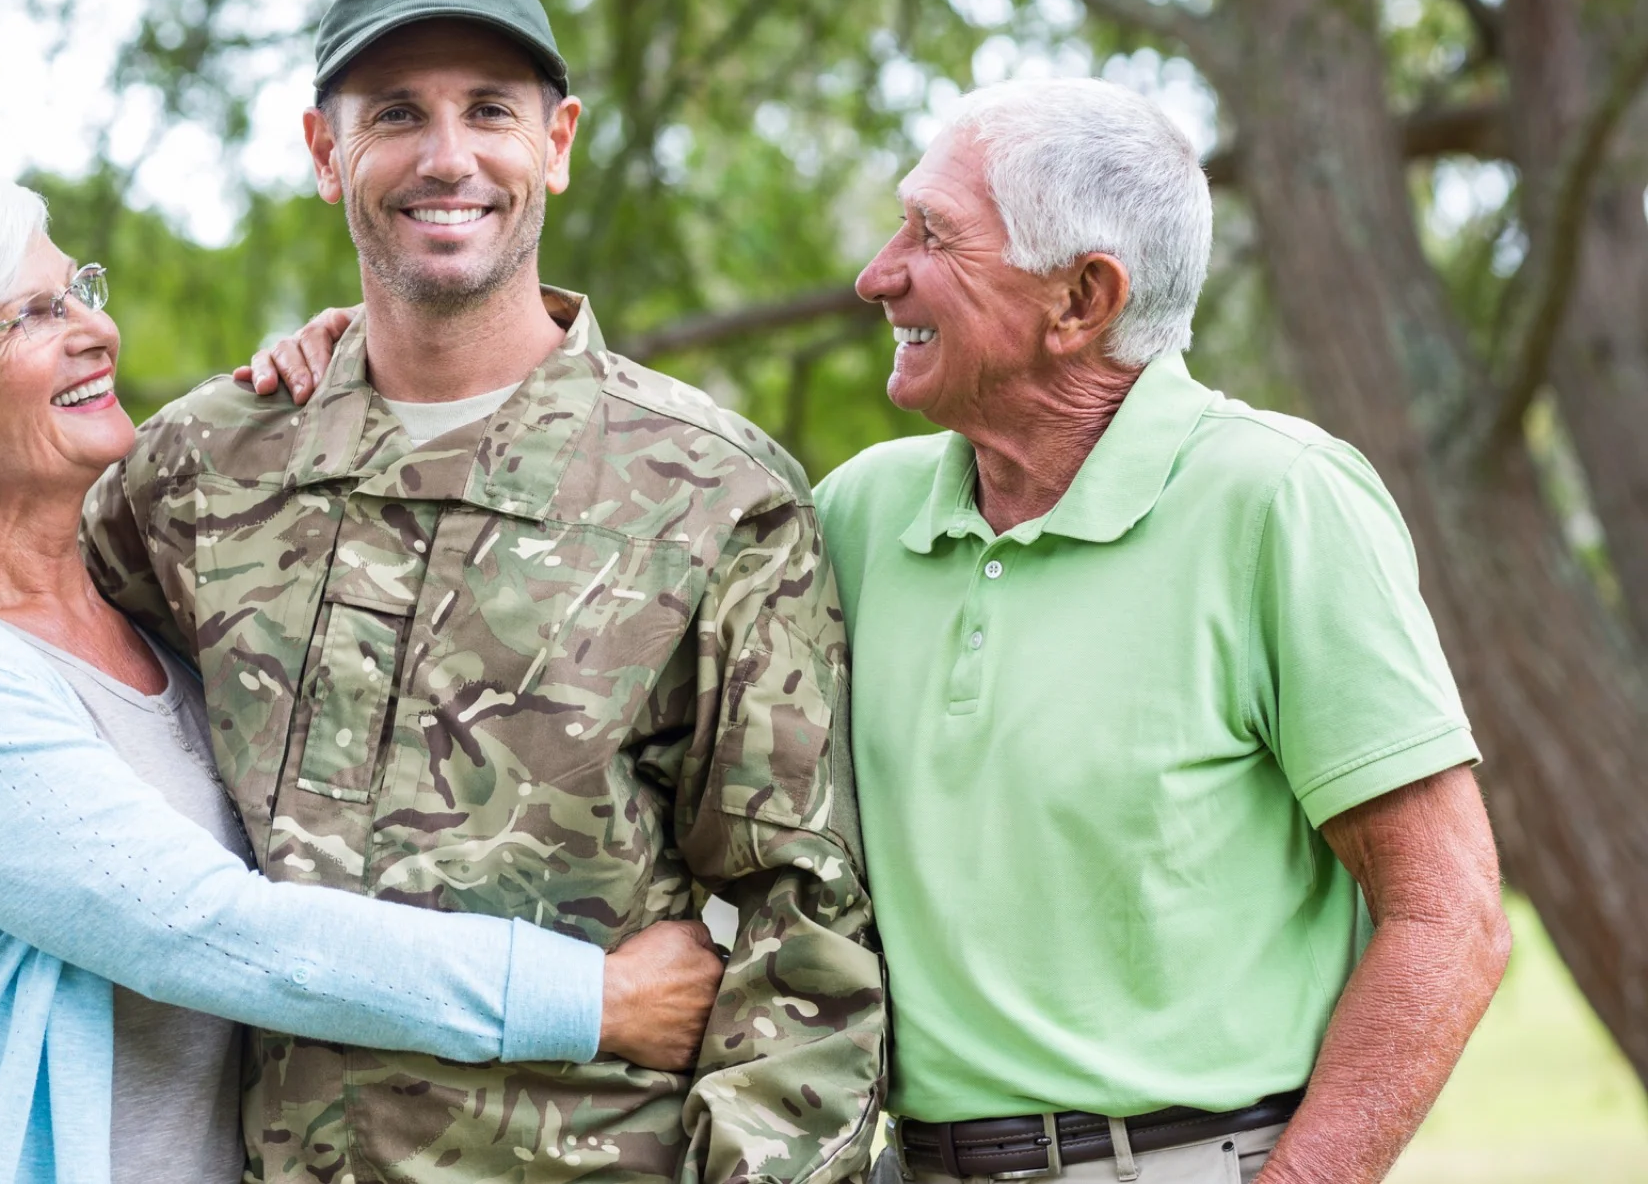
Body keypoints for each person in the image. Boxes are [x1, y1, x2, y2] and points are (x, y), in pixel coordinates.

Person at [243, 78, 1514, 1184]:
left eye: (929, 235)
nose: (876, 272)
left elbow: (1446, 919)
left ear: (1079, 298)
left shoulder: (1277, 501)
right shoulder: (858, 511)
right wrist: (378, 354)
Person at [0, 0, 887, 1184]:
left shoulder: (715, 494)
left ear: (556, 143)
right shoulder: (204, 469)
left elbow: (803, 931)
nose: (446, 155)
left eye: (490, 109)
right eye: (395, 112)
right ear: (322, 150)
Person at [0, 167, 722, 1184]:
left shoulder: (152, 617)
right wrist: (593, 1000)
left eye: (75, 288)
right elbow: (214, 934)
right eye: (29, 317)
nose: (92, 330)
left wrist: (370, 366)